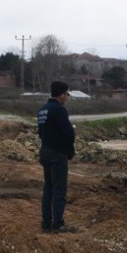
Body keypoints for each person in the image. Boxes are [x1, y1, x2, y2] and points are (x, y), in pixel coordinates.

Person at [36, 80, 77, 233]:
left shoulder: (42, 110)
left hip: (45, 151)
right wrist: (69, 150)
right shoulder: (59, 109)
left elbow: (40, 132)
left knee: (48, 189)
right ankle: (58, 224)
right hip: (57, 153)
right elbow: (68, 133)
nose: (67, 97)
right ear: (61, 94)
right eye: (67, 94)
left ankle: (46, 223)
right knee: (59, 190)